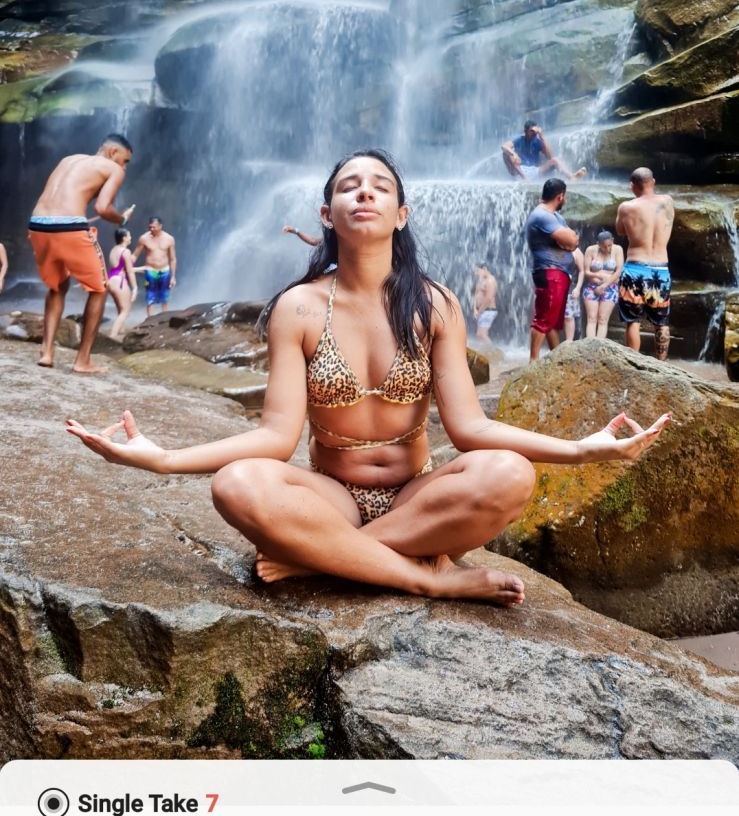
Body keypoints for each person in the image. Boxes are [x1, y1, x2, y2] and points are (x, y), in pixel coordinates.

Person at [67, 150, 669, 606]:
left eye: (380, 187)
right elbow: (277, 439)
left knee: (509, 475)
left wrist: (579, 451)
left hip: (418, 497)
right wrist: (165, 459)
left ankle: (323, 560)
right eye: (348, 187)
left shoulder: (436, 304)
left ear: (401, 214)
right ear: (326, 214)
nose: (365, 194)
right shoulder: (298, 308)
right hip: (331, 497)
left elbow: (469, 427)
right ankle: (424, 578)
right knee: (237, 485)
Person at [28, 133, 135, 372]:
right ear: (112, 153)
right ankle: (83, 360)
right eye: (125, 160)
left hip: (37, 224)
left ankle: (46, 352)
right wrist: (121, 219)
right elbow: (102, 207)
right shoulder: (113, 168)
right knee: (99, 289)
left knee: (58, 286)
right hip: (69, 227)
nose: (124, 166)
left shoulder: (69, 159)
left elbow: (77, 192)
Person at [616, 168, 674, 361]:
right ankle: (662, 365)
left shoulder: (626, 207)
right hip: (660, 269)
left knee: (633, 321)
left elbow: (620, 231)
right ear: (653, 181)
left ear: (633, 186)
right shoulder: (667, 202)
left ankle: (635, 362)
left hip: (635, 269)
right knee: (661, 321)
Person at [525, 178, 579, 361]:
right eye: (565, 196)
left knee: (553, 322)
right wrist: (567, 241)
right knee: (544, 318)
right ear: (560, 196)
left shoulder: (555, 216)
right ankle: (533, 361)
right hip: (550, 272)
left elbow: (571, 240)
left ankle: (557, 360)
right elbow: (572, 241)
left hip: (557, 272)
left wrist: (568, 240)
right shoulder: (542, 216)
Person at [501, 121, 587, 182]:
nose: (534, 133)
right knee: (506, 153)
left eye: (535, 131)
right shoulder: (519, 139)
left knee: (555, 160)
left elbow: (550, 157)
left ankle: (572, 177)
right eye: (531, 131)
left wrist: (542, 137)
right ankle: (525, 179)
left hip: (535, 171)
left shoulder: (537, 141)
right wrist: (514, 153)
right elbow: (504, 146)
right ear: (525, 131)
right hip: (519, 172)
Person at [582, 230, 624, 339]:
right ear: (598, 244)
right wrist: (600, 276)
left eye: (610, 245)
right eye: (604, 246)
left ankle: (599, 347)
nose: (608, 249)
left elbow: (619, 271)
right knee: (591, 318)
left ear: (613, 241)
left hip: (610, 288)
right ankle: (589, 346)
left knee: (602, 319)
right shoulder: (590, 250)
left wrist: (603, 286)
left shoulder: (618, 249)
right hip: (592, 287)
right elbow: (586, 272)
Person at [132, 217, 177, 316]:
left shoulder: (169, 239)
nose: (151, 229)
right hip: (150, 271)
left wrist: (173, 276)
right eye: (150, 227)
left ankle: (165, 319)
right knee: (150, 297)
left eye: (154, 227)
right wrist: (126, 265)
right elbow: (135, 255)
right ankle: (150, 320)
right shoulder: (144, 238)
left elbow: (173, 259)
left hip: (165, 271)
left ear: (160, 226)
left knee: (165, 297)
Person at [107, 228, 138, 342]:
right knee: (125, 311)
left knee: (120, 309)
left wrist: (142, 269)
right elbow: (129, 271)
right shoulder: (126, 252)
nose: (130, 238)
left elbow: (119, 268)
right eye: (129, 236)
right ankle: (112, 336)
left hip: (110, 280)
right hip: (119, 281)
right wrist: (134, 287)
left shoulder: (113, 250)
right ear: (124, 238)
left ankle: (120, 332)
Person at [472, 263, 498, 345]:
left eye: (478, 271)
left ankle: (494, 352)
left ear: (485, 269)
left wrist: (479, 311)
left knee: (481, 334)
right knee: (481, 334)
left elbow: (488, 298)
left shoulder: (490, 281)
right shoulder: (481, 280)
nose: (476, 273)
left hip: (488, 310)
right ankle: (486, 352)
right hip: (482, 310)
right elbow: (475, 295)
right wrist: (474, 309)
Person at [563, 247, 584, 342]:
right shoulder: (551, 247)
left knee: (569, 316)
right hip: (554, 286)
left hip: (570, 287)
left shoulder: (575, 250)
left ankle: (569, 342)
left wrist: (578, 288)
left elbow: (582, 270)